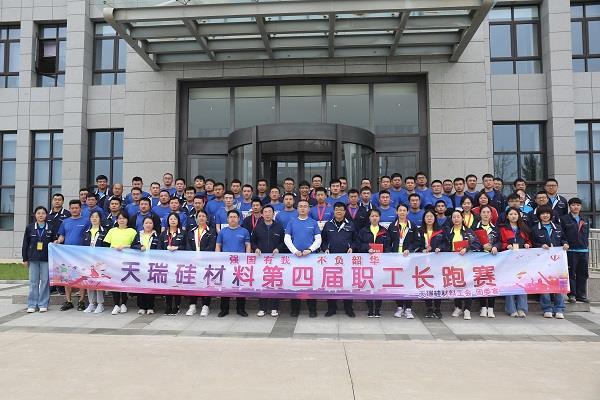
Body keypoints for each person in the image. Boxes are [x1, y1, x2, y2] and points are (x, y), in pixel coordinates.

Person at [284, 199, 322, 317]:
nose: (302, 208)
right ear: (297, 208)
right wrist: (295, 251)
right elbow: (287, 239)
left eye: (305, 206)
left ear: (309, 209)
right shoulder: (292, 222)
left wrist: (310, 250)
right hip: (295, 258)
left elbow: (318, 239)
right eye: (300, 206)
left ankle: (312, 310)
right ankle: (295, 309)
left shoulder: (313, 222)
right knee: (295, 284)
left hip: (310, 258)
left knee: (311, 284)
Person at [531, 205, 569, 319]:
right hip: (542, 262)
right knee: (544, 284)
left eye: (547, 213)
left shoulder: (558, 227)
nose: (545, 215)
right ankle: (547, 308)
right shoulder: (535, 229)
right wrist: (540, 245)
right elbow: (533, 244)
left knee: (559, 284)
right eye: (542, 213)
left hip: (558, 261)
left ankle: (559, 308)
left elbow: (563, 239)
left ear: (551, 215)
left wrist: (565, 244)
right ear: (539, 216)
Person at [320, 202, 356, 318]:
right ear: (334, 211)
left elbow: (356, 240)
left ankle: (348, 308)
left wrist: (352, 247)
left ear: (345, 212)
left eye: (341, 209)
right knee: (331, 283)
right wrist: (325, 248)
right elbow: (323, 241)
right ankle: (331, 308)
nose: (339, 211)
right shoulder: (328, 225)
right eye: (337, 209)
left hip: (347, 260)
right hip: (331, 260)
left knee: (347, 284)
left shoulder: (351, 224)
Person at [446, 210, 482, 320]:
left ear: (462, 218)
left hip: (467, 263)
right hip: (453, 263)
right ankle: (458, 307)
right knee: (456, 285)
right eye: (454, 217)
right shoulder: (448, 232)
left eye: (458, 217)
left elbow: (477, 244)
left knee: (468, 285)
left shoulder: (468, 231)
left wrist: (467, 249)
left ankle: (467, 309)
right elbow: (444, 244)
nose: (456, 219)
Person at [251, 205, 286, 317]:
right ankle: (262, 308)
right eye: (265, 212)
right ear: (262, 214)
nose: (267, 214)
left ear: (273, 213)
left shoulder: (279, 227)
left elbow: (283, 241)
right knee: (262, 283)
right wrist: (256, 248)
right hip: (261, 260)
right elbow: (253, 242)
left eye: (269, 212)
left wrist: (278, 248)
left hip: (275, 260)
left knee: (274, 283)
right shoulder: (258, 227)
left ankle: (274, 308)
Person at [216, 210, 251, 317]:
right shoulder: (222, 232)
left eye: (235, 217)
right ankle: (224, 309)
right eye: (230, 217)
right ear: (227, 219)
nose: (233, 219)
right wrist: (217, 258)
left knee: (240, 286)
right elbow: (218, 246)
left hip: (240, 263)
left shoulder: (244, 231)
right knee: (225, 286)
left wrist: (247, 258)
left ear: (239, 218)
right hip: (226, 263)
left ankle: (240, 309)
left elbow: (248, 245)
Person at [356, 209, 391, 317]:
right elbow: (358, 244)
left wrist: (384, 254)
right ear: (369, 218)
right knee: (368, 285)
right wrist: (367, 248)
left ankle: (378, 309)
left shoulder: (384, 231)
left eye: (376, 216)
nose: (374, 218)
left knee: (379, 286)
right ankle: (370, 309)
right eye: (372, 216)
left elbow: (388, 246)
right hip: (367, 263)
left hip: (380, 263)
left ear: (379, 217)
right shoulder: (363, 231)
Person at [56, 200, 90, 311]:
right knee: (67, 277)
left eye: (76, 208)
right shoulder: (65, 222)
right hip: (67, 254)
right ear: (70, 209)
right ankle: (68, 301)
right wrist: (58, 241)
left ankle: (81, 301)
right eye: (72, 208)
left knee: (81, 277)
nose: (74, 210)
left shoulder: (86, 221)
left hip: (81, 254)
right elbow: (62, 236)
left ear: (80, 209)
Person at [499, 207, 532, 317]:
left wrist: (528, 244)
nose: (513, 216)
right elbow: (500, 242)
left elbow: (529, 241)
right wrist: (506, 245)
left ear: (519, 216)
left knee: (522, 283)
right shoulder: (503, 229)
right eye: (511, 214)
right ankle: (511, 309)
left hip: (522, 260)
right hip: (508, 260)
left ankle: (521, 308)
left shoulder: (524, 228)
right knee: (510, 284)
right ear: (507, 216)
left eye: (515, 214)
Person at [388, 204, 419, 319]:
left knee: (409, 283)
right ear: (396, 212)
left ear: (407, 212)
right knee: (398, 283)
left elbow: (417, 241)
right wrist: (390, 253)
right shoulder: (392, 226)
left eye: (404, 210)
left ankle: (409, 308)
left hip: (408, 259)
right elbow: (388, 241)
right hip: (396, 259)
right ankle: (399, 307)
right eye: (400, 210)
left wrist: (409, 249)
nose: (402, 212)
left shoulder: (412, 226)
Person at [22, 206, 55, 313]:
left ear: (46, 215)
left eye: (43, 213)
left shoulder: (51, 227)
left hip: (46, 258)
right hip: (33, 258)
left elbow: (54, 242)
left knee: (45, 282)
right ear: (35, 215)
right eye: (38, 213)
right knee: (33, 282)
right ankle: (32, 304)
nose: (41, 215)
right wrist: (25, 259)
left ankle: (43, 304)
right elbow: (25, 244)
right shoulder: (30, 227)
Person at [103, 211, 137, 315]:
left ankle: (124, 304)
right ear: (117, 220)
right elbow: (105, 245)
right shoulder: (112, 231)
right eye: (120, 218)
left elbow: (136, 245)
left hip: (127, 261)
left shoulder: (132, 231)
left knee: (124, 282)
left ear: (127, 220)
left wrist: (125, 246)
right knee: (115, 283)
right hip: (113, 260)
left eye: (124, 218)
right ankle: (116, 304)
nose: (121, 220)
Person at [184, 210, 217, 317]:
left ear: (207, 219)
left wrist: (202, 257)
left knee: (205, 283)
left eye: (203, 216)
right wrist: (192, 256)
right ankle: (192, 305)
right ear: (196, 218)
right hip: (193, 262)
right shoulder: (191, 231)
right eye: (199, 216)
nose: (201, 218)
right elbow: (188, 245)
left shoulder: (211, 231)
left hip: (205, 262)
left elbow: (211, 246)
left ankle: (205, 306)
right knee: (193, 283)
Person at [472, 205, 500, 318]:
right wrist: (481, 246)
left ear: (491, 214)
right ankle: (483, 307)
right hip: (480, 258)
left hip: (493, 259)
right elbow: (471, 241)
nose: (486, 214)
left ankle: (491, 308)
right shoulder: (475, 227)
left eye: (488, 212)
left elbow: (499, 241)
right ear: (480, 214)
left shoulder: (495, 228)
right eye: (483, 212)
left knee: (491, 283)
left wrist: (495, 247)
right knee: (482, 283)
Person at [418, 210, 447, 318]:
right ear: (424, 218)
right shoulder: (420, 231)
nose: (429, 218)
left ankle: (438, 308)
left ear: (435, 218)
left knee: (438, 285)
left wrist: (440, 248)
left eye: (431, 216)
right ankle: (429, 308)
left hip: (437, 262)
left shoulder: (440, 230)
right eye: (427, 216)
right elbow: (416, 244)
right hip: (424, 263)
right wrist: (421, 249)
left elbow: (446, 243)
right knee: (427, 285)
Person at [561, 197, 590, 303]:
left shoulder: (585, 219)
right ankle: (572, 295)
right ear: (569, 207)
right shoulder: (564, 219)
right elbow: (562, 234)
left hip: (583, 251)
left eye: (578, 205)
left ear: (581, 206)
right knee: (571, 273)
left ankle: (581, 295)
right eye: (573, 205)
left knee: (583, 274)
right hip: (571, 251)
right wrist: (565, 243)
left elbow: (586, 234)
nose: (576, 207)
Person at [158, 212, 187, 315]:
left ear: (178, 221)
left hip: (178, 264)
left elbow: (187, 247)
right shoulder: (163, 234)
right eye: (171, 219)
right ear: (168, 221)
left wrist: (177, 248)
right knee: (167, 285)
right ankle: (168, 305)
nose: (173, 221)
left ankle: (177, 306)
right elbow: (159, 248)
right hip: (166, 264)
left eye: (175, 219)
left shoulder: (183, 233)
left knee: (176, 284)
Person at [131, 216, 160, 315]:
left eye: (150, 223)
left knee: (150, 285)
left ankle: (150, 306)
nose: (148, 225)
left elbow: (159, 248)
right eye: (146, 223)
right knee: (141, 285)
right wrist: (139, 246)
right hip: (140, 263)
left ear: (153, 225)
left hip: (152, 264)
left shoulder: (157, 235)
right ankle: (142, 306)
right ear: (143, 224)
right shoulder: (138, 234)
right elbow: (133, 245)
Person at [81, 211, 109, 314]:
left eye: (97, 217)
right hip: (88, 260)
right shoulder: (86, 231)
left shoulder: (104, 231)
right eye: (92, 217)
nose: (94, 219)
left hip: (100, 261)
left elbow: (107, 247)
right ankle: (91, 303)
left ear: (100, 219)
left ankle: (100, 304)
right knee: (90, 281)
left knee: (98, 282)